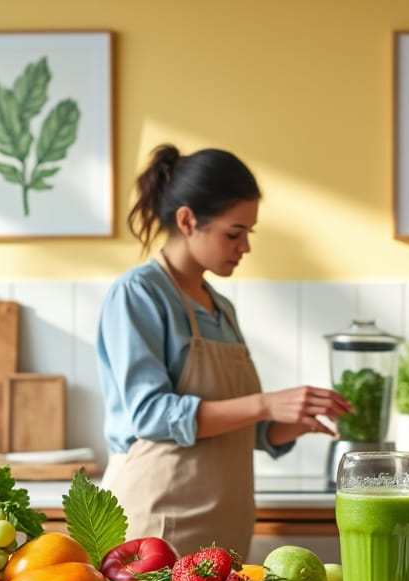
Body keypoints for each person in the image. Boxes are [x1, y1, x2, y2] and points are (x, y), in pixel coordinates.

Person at [96, 145, 352, 558]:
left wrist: (292, 420)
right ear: (187, 220)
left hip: (224, 530)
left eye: (249, 233)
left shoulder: (222, 309)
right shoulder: (139, 294)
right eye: (234, 233)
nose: (245, 246)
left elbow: (236, 426)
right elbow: (150, 415)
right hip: (154, 528)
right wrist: (267, 403)